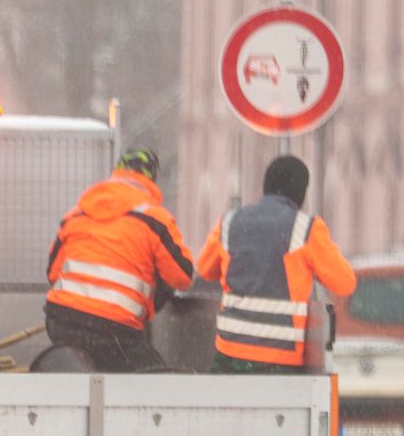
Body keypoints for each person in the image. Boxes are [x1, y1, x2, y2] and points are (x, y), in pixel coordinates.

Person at [196, 155, 355, 375]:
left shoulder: (230, 222)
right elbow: (345, 283)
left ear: (266, 186)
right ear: (301, 192)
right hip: (281, 359)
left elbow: (205, 268)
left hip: (230, 354)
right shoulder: (306, 228)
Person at [43, 147, 195, 373]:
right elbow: (182, 276)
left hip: (61, 321)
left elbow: (53, 273)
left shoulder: (77, 214)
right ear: (152, 178)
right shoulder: (155, 220)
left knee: (82, 376)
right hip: (114, 329)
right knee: (155, 384)